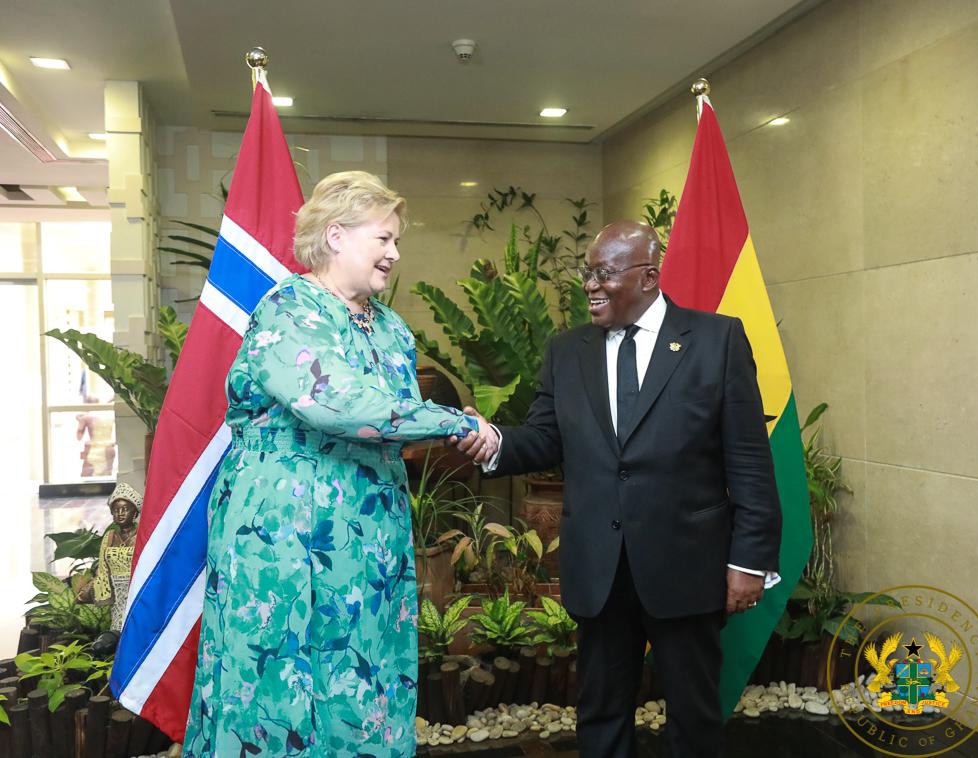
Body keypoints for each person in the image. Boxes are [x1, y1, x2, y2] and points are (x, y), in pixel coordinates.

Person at [182, 171, 484, 757]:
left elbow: (397, 416)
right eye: (384, 239)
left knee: (364, 666)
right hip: (282, 529)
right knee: (280, 675)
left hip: (367, 531)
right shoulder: (288, 308)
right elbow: (339, 404)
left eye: (398, 242)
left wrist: (447, 425)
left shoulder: (392, 328)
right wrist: (458, 423)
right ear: (337, 235)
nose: (395, 254)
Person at [455, 220, 781, 758]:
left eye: (604, 273)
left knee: (695, 716)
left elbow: (748, 460)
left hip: (687, 563)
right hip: (599, 567)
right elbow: (543, 438)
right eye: (587, 273)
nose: (589, 284)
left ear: (649, 276)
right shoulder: (567, 351)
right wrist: (491, 441)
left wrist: (749, 559)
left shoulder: (717, 340)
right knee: (600, 712)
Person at [77, 481, 142, 632]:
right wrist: (89, 590)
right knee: (117, 627)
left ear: (135, 513)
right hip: (116, 594)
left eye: (125, 509)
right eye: (116, 510)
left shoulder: (141, 536)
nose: (120, 513)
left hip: (135, 590)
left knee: (135, 629)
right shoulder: (110, 537)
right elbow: (103, 569)